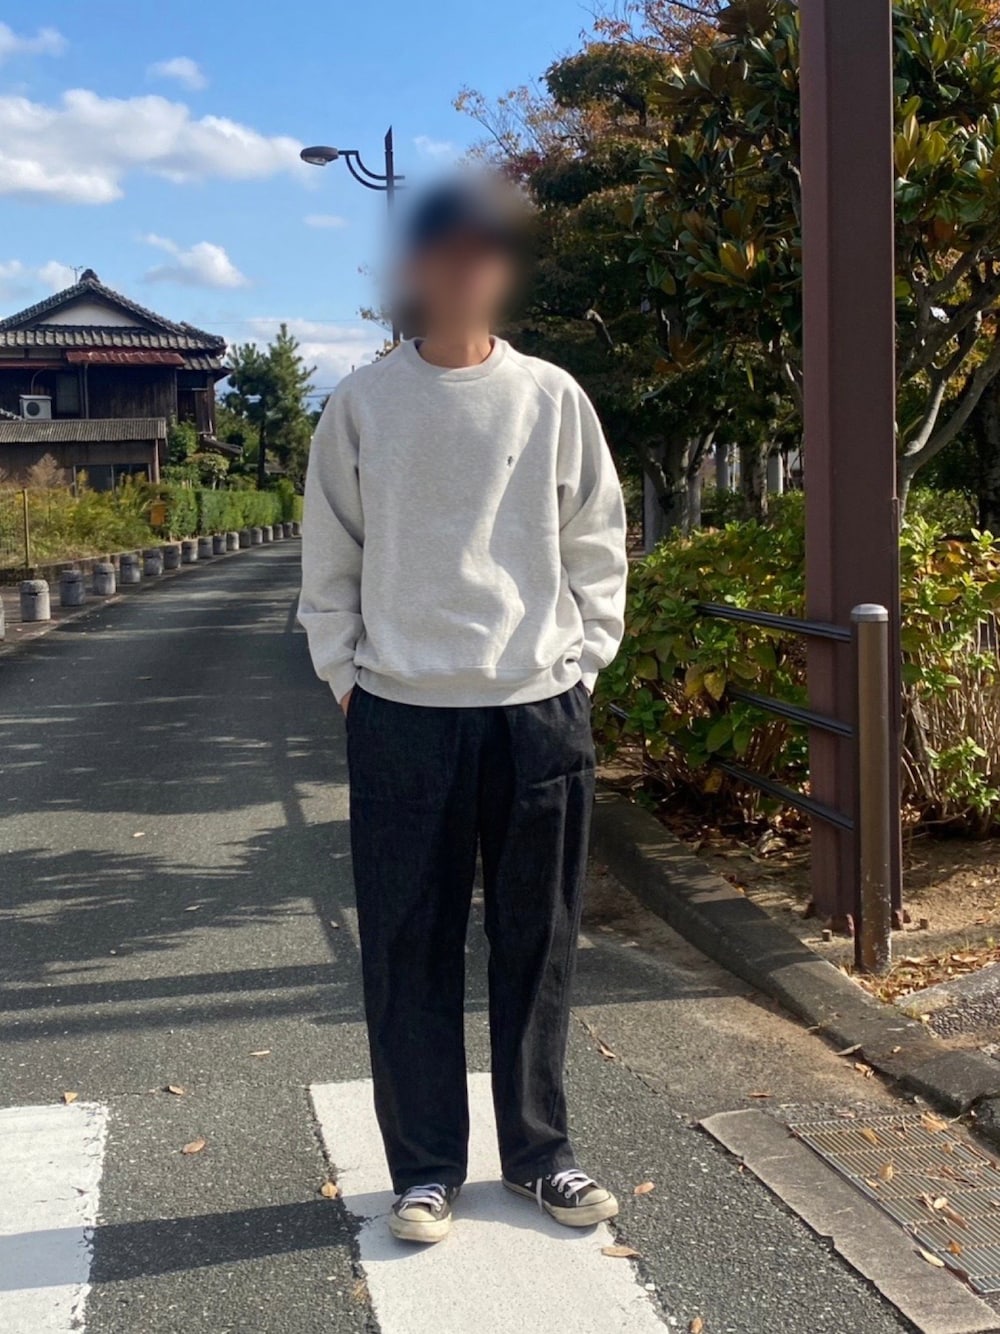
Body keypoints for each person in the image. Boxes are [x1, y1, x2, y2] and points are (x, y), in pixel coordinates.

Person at [299, 176, 629, 1245]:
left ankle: (541, 1155)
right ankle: (426, 1168)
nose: (462, 271)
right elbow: (329, 557)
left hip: (537, 706)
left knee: (541, 940)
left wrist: (582, 664)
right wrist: (347, 676)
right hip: (400, 708)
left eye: (481, 253)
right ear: (413, 270)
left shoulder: (552, 396)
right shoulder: (362, 404)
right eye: (442, 253)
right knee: (408, 945)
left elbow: (597, 540)